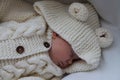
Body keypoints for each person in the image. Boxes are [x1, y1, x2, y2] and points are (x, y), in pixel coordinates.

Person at [0, 0, 113, 80]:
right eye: (72, 54)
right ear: (58, 33)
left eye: (74, 61)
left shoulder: (52, 73)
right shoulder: (36, 21)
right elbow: (7, 7)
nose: (70, 62)